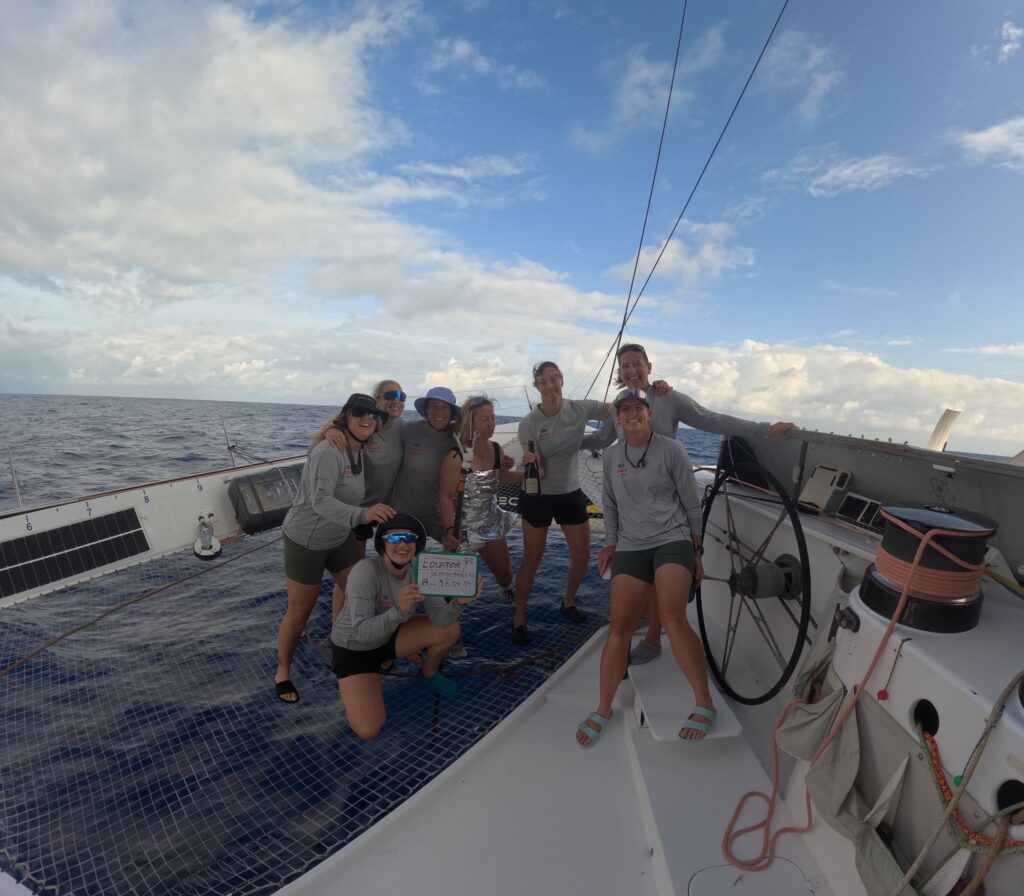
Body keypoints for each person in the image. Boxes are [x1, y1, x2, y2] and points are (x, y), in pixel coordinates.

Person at [583, 342, 796, 666]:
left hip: (669, 509)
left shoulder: (668, 397)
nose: (631, 370)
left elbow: (714, 421)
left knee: (661, 578)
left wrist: (765, 429)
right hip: (633, 514)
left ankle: (654, 638)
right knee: (641, 578)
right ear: (620, 372)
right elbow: (602, 439)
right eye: (625, 366)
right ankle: (649, 625)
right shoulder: (619, 405)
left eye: (637, 363)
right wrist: (563, 445)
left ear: (649, 366)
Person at [577, 388, 713, 747]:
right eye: (625, 409)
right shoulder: (611, 455)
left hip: (673, 539)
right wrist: (610, 543)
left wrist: (697, 551)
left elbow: (692, 504)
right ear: (617, 417)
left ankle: (704, 702)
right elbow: (609, 504)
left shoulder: (672, 450)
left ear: (649, 413)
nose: (632, 413)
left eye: (639, 407)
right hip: (631, 545)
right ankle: (603, 708)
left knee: (672, 618)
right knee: (619, 626)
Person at [274, 394, 394, 704]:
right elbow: (320, 501)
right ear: (346, 417)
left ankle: (347, 644)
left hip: (339, 536)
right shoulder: (330, 450)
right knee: (300, 612)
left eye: (372, 415)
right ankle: (283, 670)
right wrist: (363, 515)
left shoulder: (358, 447)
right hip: (307, 540)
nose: (367, 419)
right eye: (359, 413)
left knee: (361, 593)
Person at [331, 514, 481, 740]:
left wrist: (460, 602)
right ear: (382, 543)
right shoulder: (364, 571)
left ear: (417, 544)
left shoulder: (421, 569)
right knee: (369, 730)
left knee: (450, 630)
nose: (402, 544)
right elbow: (361, 633)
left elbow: (442, 621)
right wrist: (400, 611)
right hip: (354, 648)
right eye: (394, 538)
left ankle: (428, 673)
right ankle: (374, 669)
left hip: (389, 635)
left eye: (409, 538)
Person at [513, 361, 610, 645]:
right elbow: (540, 473)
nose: (550, 385)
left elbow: (617, 408)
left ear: (562, 380)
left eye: (554, 379)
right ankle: (519, 617)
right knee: (532, 559)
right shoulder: (529, 424)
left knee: (582, 556)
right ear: (537, 386)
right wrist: (532, 462)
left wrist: (644, 393)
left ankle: (567, 602)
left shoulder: (579, 409)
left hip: (570, 493)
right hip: (538, 496)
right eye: (543, 381)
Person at [439, 395, 522, 657]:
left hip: (490, 522)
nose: (491, 423)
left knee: (506, 578)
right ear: (470, 422)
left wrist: (535, 472)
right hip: (462, 529)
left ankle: (511, 600)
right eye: (485, 419)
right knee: (455, 591)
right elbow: (445, 497)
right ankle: (451, 637)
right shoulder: (456, 455)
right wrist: (450, 532)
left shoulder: (496, 449)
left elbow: (505, 478)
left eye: (493, 418)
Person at [325, 380, 407, 558]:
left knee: (394, 559)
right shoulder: (366, 425)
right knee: (354, 565)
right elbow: (337, 431)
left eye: (401, 396)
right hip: (357, 508)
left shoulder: (402, 427)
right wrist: (330, 431)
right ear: (377, 399)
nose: (396, 400)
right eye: (390, 395)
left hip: (386, 508)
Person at [389, 387, 461, 544]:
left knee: (458, 547)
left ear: (452, 412)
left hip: (439, 515)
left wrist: (503, 461)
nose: (439, 412)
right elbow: (379, 431)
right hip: (403, 512)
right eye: (434, 406)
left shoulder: (458, 439)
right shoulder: (408, 429)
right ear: (426, 410)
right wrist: (336, 430)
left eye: (445, 407)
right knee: (401, 554)